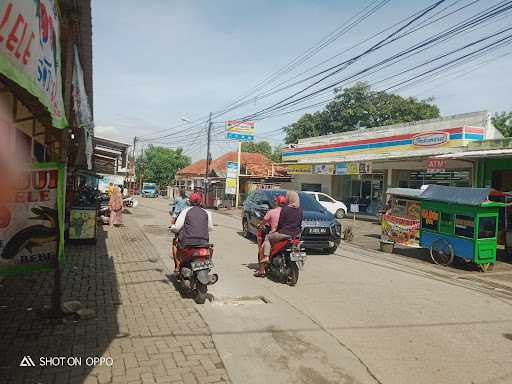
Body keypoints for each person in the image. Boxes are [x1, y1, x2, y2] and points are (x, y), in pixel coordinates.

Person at [170, 192, 213, 272]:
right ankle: (206, 267)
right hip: (203, 243)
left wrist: (172, 227)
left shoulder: (185, 211)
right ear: (200, 202)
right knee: (210, 250)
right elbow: (210, 228)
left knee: (175, 244)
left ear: (189, 202)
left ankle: (178, 266)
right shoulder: (207, 212)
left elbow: (177, 228)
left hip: (188, 243)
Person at [262, 190, 303, 266]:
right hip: (296, 235)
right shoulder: (300, 210)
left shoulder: (285, 209)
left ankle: (266, 257)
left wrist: (275, 231)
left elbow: (281, 223)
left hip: (284, 233)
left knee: (267, 237)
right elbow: (299, 224)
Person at [254, 194, 287, 277]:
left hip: (275, 236)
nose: (275, 202)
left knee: (262, 249)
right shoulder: (287, 212)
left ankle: (262, 270)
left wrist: (259, 225)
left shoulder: (272, 212)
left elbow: (263, 221)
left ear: (277, 202)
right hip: (288, 235)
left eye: (275, 201)